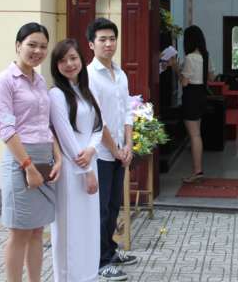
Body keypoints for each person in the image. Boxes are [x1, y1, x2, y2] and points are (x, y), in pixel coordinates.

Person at [0, 22, 62, 282]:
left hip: (44, 159)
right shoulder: (4, 81)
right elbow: (5, 129)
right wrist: (28, 166)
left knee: (37, 230)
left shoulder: (40, 81)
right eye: (32, 45)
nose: (37, 51)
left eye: (43, 46)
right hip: (21, 160)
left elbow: (45, 125)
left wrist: (58, 158)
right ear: (18, 45)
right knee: (19, 231)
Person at [86, 17, 137, 281]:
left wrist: (128, 145)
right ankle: (100, 261)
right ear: (91, 44)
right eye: (102, 39)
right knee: (101, 209)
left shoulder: (121, 73)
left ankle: (110, 250)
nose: (108, 44)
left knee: (114, 204)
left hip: (119, 151)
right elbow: (98, 119)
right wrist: (115, 150)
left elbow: (127, 111)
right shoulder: (89, 76)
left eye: (112, 39)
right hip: (101, 154)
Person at [49, 39, 103, 282]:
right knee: (69, 227)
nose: (69, 64)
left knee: (88, 225)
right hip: (72, 171)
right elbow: (66, 136)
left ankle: (88, 275)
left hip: (89, 162)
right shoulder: (56, 94)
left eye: (73, 58)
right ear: (56, 65)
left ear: (81, 59)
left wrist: (91, 150)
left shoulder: (87, 90)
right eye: (63, 60)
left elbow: (99, 126)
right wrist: (87, 170)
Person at [172, 25, 214, 183]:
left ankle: (197, 171)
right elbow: (211, 77)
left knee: (194, 135)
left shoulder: (190, 58)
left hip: (191, 97)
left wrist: (176, 68)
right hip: (201, 95)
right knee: (197, 134)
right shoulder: (206, 56)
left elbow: (184, 82)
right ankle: (198, 170)